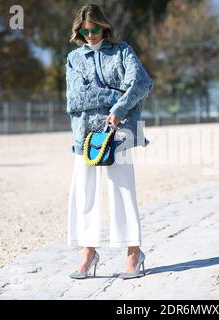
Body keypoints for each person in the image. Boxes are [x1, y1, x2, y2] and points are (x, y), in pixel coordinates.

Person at [65, 4, 153, 279]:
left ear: (104, 26)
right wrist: (113, 95)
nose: (90, 34)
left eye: (94, 29)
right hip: (85, 133)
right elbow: (75, 100)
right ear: (78, 30)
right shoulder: (73, 59)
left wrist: (117, 109)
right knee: (83, 193)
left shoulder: (123, 51)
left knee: (123, 190)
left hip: (120, 129)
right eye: (84, 30)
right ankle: (88, 253)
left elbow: (140, 83)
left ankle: (133, 253)